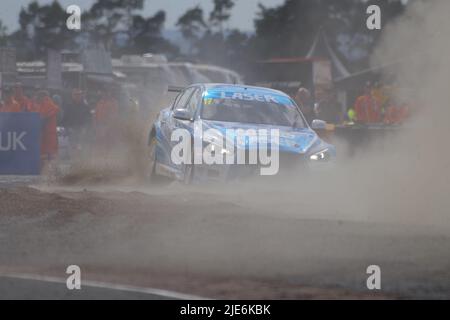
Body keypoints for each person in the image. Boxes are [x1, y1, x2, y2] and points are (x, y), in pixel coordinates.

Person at [31, 90, 60, 163]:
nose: (36, 99)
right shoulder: (42, 105)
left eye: (37, 97)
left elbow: (44, 118)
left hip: (49, 134)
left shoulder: (47, 104)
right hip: (46, 134)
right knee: (46, 155)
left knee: (50, 154)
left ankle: (52, 170)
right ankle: (48, 169)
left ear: (42, 97)